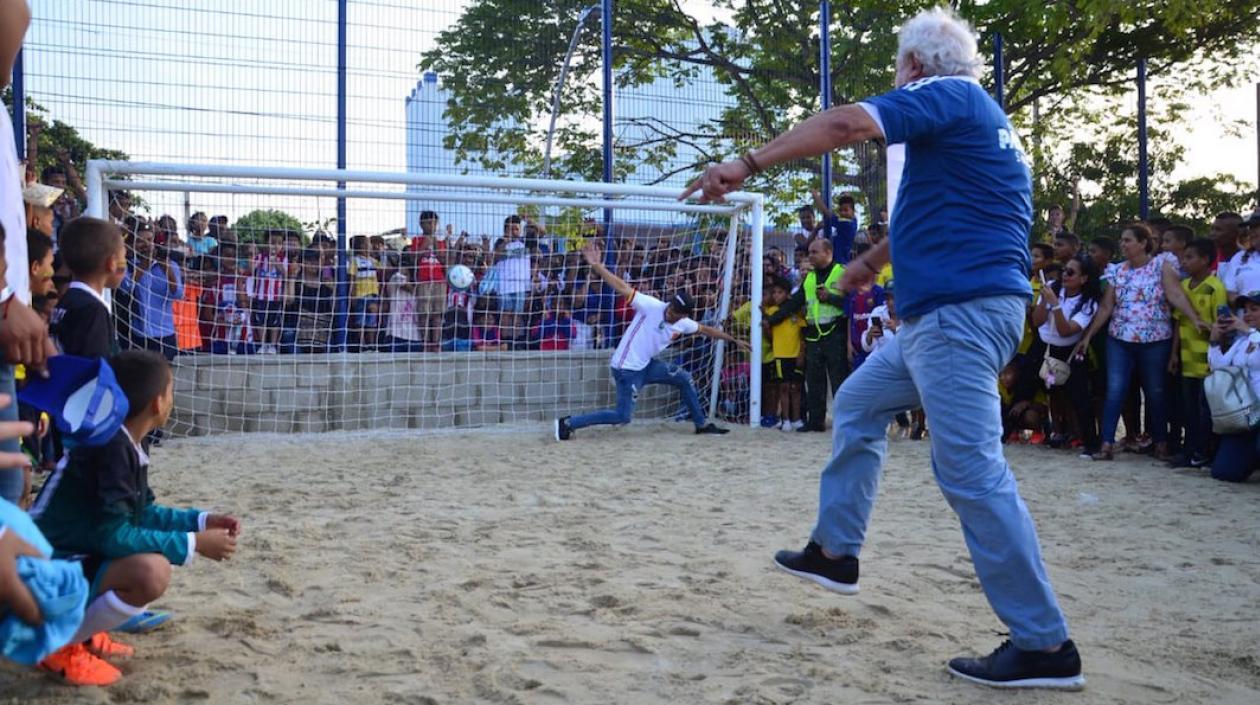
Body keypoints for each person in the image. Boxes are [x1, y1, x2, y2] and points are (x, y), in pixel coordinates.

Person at [682, 7, 1084, 688]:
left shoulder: (944, 93)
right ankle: (836, 550)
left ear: (913, 66)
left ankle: (1045, 644)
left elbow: (847, 123)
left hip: (958, 315)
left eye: (897, 69)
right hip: (944, 317)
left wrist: (746, 162)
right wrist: (869, 261)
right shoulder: (980, 120)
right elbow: (948, 214)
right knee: (862, 402)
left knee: (971, 471)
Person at [31, 351, 241, 686]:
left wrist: (201, 521)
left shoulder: (122, 442)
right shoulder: (111, 448)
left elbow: (141, 512)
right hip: (38, 569)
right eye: (171, 389)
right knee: (151, 572)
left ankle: (80, 635)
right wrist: (193, 544)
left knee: (145, 560)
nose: (173, 397)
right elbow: (111, 536)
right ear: (157, 403)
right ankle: (56, 644)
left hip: (60, 558)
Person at [555, 242, 746, 441]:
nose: (669, 314)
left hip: (646, 366)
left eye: (675, 314)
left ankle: (701, 424)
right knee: (623, 416)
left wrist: (733, 339)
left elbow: (705, 329)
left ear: (683, 316)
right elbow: (623, 287)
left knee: (684, 378)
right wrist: (597, 266)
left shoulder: (683, 323)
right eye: (670, 309)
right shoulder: (652, 306)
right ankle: (568, 423)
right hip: (626, 369)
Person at [1074, 224, 1207, 461]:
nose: (1123, 244)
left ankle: (1161, 443)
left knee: (1156, 392)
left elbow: (1175, 294)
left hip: (1155, 339)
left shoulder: (1161, 266)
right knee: (1116, 390)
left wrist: (1195, 318)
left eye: (1128, 240)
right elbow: (1107, 306)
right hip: (1120, 338)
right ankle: (1106, 443)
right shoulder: (1117, 270)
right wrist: (1088, 336)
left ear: (1143, 243)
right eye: (1122, 240)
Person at [763, 238, 848, 432]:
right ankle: (816, 421)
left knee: (839, 381)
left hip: (835, 333)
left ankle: (843, 422)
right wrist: (772, 318)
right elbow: (794, 303)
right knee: (814, 381)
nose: (810, 256)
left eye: (814, 252)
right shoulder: (809, 278)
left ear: (828, 253)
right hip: (813, 335)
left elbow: (851, 303)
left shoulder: (841, 273)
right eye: (809, 252)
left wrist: (831, 298)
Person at [1031, 257, 1101, 455]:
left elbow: (1066, 330)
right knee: (1050, 390)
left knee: (1080, 397)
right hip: (1046, 350)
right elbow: (1036, 321)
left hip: (1070, 353)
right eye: (1064, 270)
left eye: (1071, 272)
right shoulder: (1053, 287)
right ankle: (1056, 433)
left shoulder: (1088, 302)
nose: (1064, 275)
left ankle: (1090, 443)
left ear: (1084, 278)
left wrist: (1055, 304)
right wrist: (1045, 300)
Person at [1169, 239, 1226, 467]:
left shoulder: (1215, 288)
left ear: (1205, 260)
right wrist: (1174, 354)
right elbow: (1177, 322)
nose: (1185, 262)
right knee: (1189, 409)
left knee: (1205, 410)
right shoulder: (1183, 287)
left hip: (1207, 361)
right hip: (1186, 358)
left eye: (1190, 257)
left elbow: (1221, 326)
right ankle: (1190, 449)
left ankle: (1204, 451)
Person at [1206, 293, 1260, 482]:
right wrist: (1214, 340)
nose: (1247, 315)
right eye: (1245, 310)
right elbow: (1218, 367)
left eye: (1254, 310)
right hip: (1245, 415)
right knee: (1224, 472)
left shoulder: (1252, 336)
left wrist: (1251, 332)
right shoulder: (1242, 341)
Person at [119, 221, 184, 360]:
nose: (146, 245)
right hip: (137, 334)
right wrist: (144, 265)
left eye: (149, 240)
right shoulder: (126, 265)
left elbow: (178, 294)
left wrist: (166, 268)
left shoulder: (171, 265)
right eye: (140, 241)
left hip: (165, 335)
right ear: (131, 245)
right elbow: (125, 287)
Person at [765, 277, 806, 431]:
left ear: (788, 295)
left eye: (780, 292)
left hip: (795, 355)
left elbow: (802, 335)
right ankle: (785, 419)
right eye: (774, 292)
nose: (776, 295)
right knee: (783, 387)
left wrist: (802, 352)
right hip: (780, 355)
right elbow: (769, 336)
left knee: (796, 387)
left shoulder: (796, 314)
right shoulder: (772, 312)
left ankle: (796, 419)